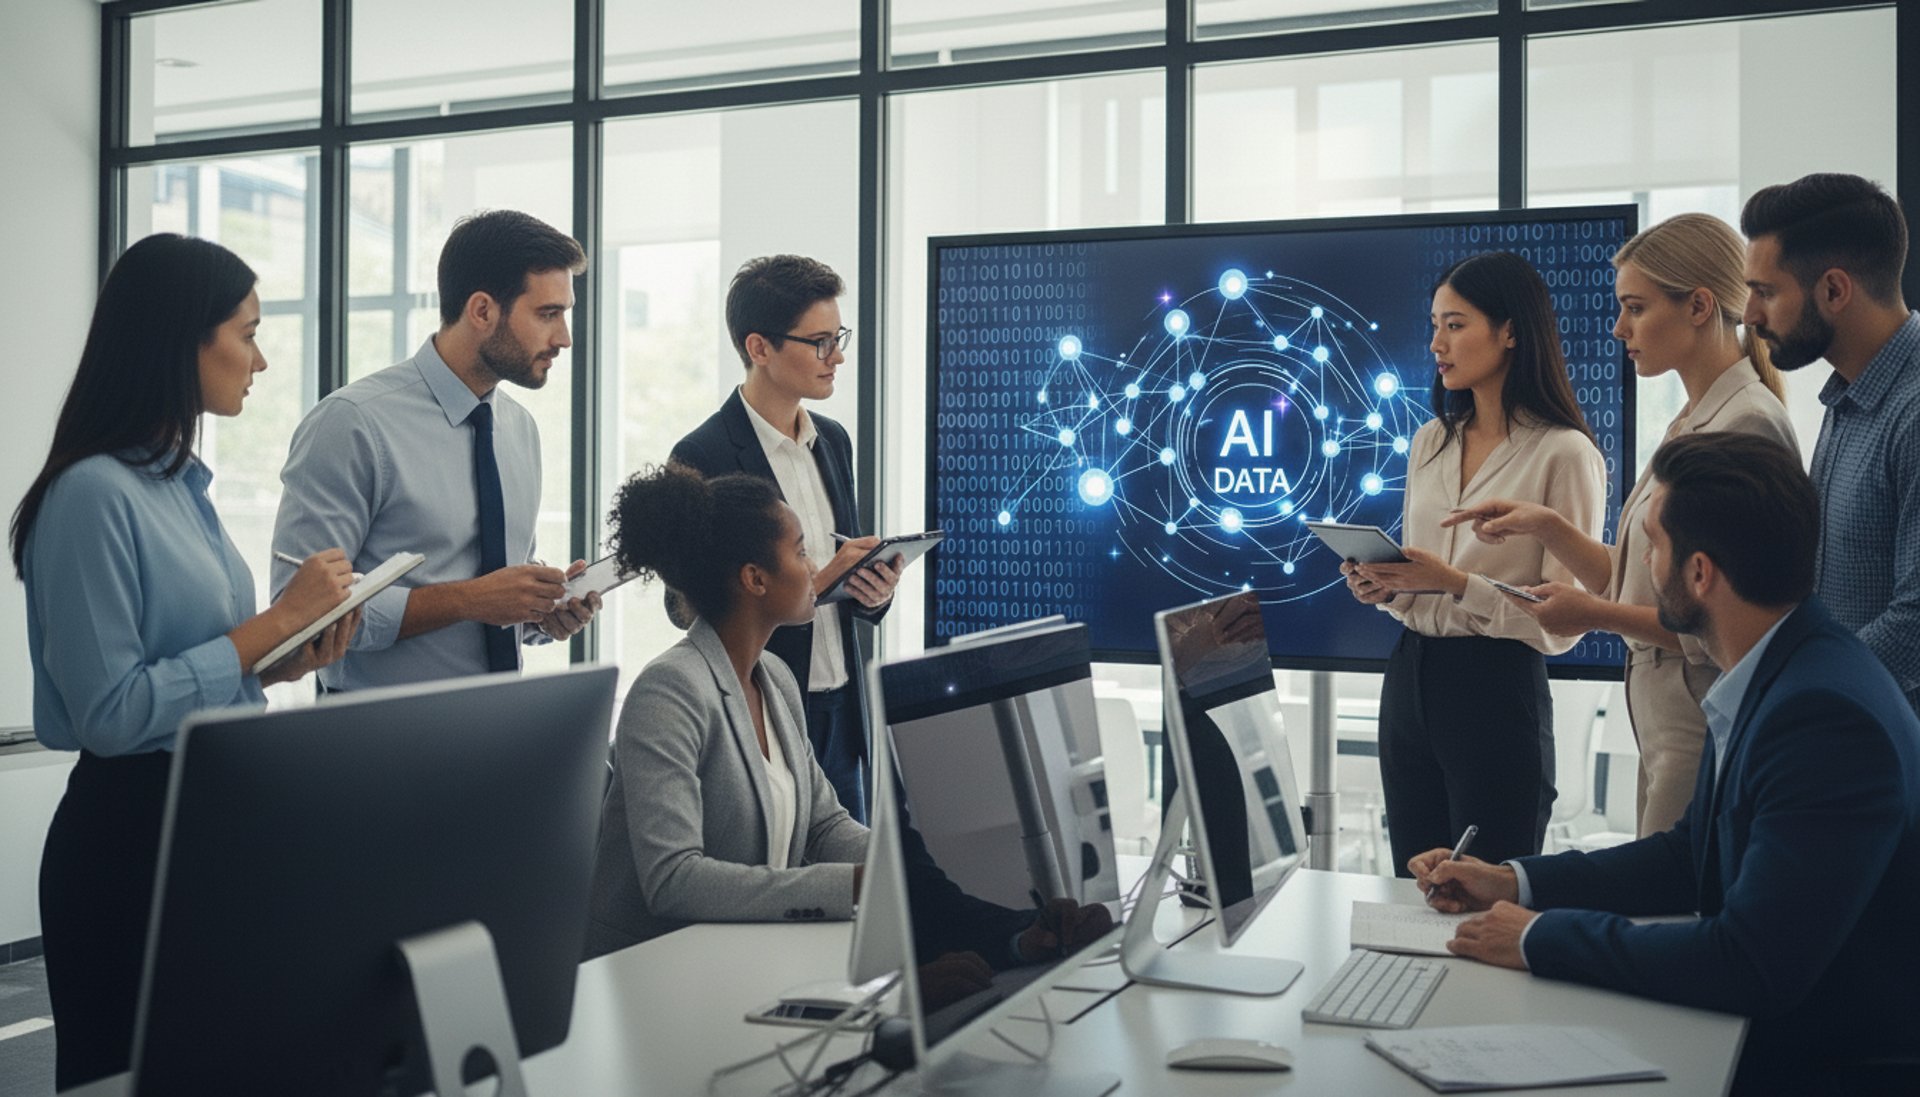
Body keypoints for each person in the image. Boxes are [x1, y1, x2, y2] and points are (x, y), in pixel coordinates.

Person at [1414, 431, 1920, 1095]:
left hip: (1825, 1070)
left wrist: (1540, 937)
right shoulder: (1783, 670)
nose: (1645, 567)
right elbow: (1688, 858)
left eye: (1651, 546)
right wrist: (1514, 881)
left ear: (1700, 573)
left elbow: (1749, 961)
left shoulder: (1821, 716)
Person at [10, 234, 360, 1089]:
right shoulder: (90, 494)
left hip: (209, 822)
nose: (261, 359)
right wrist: (274, 621)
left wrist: (277, 659)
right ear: (182, 340)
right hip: (128, 840)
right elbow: (111, 712)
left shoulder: (178, 486)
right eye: (248, 333)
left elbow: (186, 666)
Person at [585, 465, 1110, 963]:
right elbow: (674, 879)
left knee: (924, 916)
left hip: (741, 952)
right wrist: (856, 884)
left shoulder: (775, 678)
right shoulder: (669, 690)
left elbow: (824, 825)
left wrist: (905, 866)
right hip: (653, 967)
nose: (815, 568)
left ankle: (1019, 935)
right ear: (755, 579)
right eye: (800, 552)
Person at [1444, 214, 1798, 835]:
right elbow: (1640, 581)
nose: (1618, 328)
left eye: (1636, 308)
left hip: (1700, 716)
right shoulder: (1694, 417)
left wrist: (1594, 616)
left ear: (1699, 307)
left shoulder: (1743, 424)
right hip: (1666, 719)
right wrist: (1549, 527)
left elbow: (1724, 622)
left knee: (1674, 889)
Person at [1342, 251, 1606, 873]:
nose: (1437, 343)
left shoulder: (1565, 453)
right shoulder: (1430, 441)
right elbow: (1421, 579)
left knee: (1488, 888)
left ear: (1510, 331)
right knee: (1412, 883)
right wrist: (1388, 585)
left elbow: (1564, 622)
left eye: (1455, 325)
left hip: (1496, 689)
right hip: (1409, 679)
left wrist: (1459, 584)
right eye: (1434, 325)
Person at [270, 209, 598, 691]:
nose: (564, 338)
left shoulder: (520, 429)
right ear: (482, 311)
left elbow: (493, 593)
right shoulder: (352, 424)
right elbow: (297, 612)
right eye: (548, 314)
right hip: (376, 731)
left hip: (500, 723)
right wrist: (468, 600)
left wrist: (541, 611)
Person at [668, 255, 902, 824]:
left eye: (838, 338)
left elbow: (840, 574)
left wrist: (871, 591)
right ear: (759, 348)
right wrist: (814, 584)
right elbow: (682, 608)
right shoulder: (701, 455)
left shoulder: (834, 441)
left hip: (843, 711)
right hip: (760, 713)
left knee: (852, 868)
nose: (837, 356)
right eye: (820, 343)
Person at [1739, 172, 1920, 716]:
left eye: (1766, 292)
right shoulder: (1847, 397)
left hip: (1884, 743)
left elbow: (1915, 623)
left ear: (1834, 290)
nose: (1749, 315)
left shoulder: (1913, 411)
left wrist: (1792, 691)